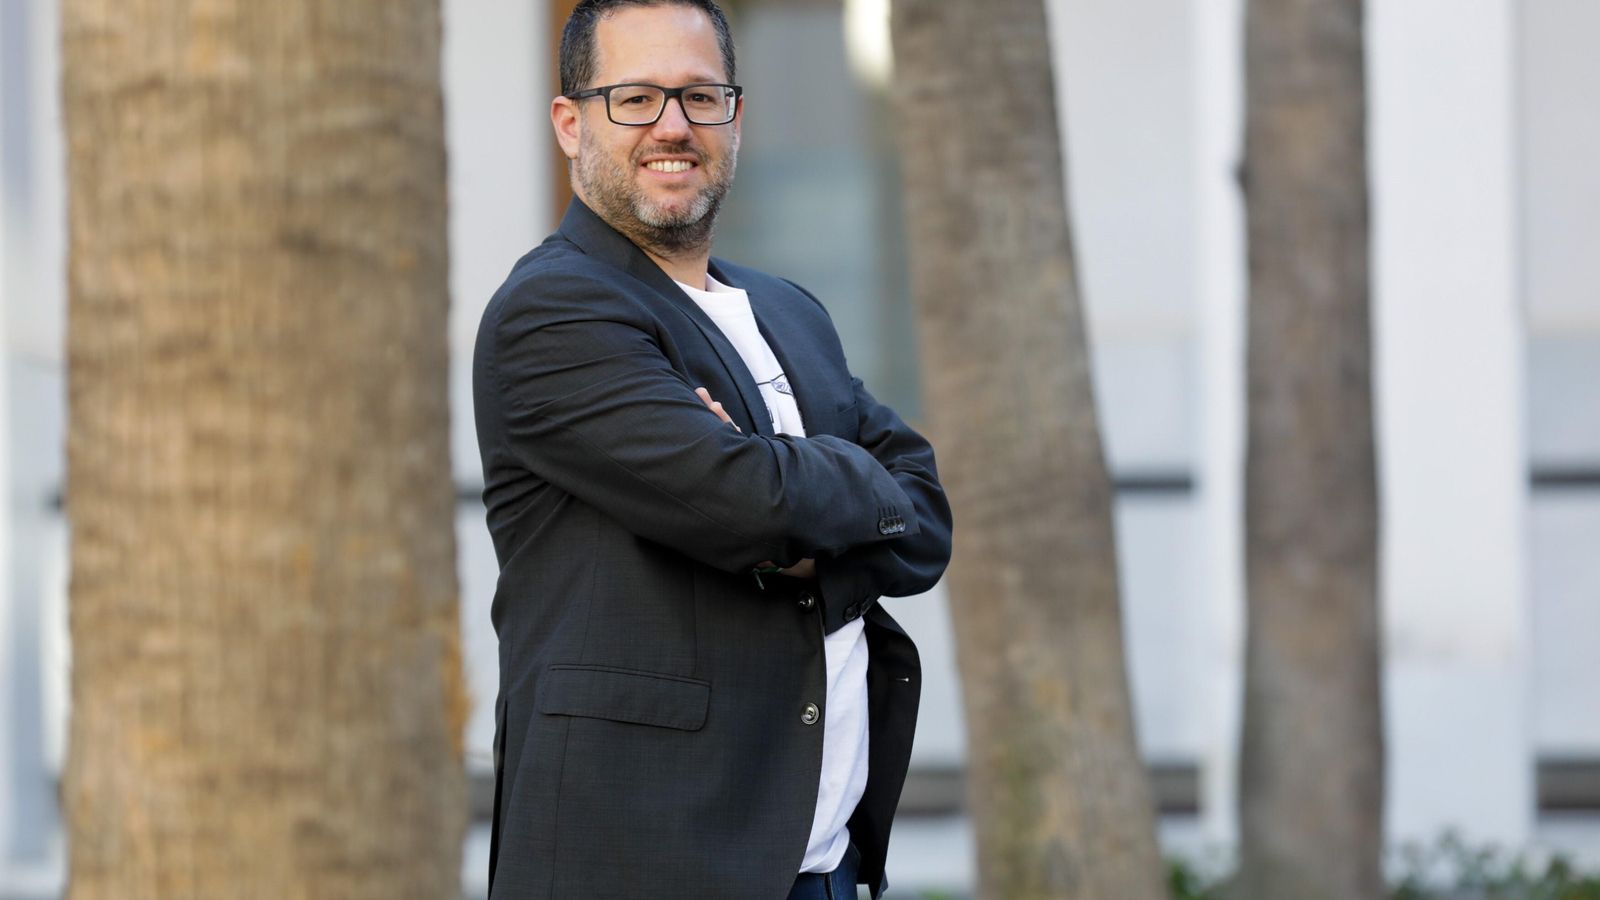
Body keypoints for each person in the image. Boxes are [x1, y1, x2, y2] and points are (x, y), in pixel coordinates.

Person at [472, 1, 951, 896]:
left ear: (736, 116)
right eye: (635, 99)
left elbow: (925, 519)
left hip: (820, 867)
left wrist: (807, 530)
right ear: (570, 123)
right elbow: (750, 503)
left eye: (699, 96)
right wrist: (812, 492)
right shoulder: (553, 313)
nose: (673, 126)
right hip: (646, 861)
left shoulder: (788, 313)